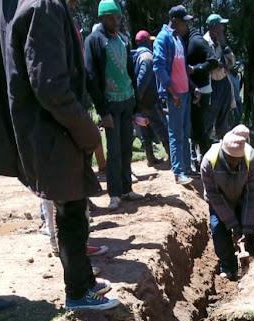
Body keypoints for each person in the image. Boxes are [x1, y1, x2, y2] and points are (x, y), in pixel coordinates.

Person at [0, 0, 119, 311]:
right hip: (54, 129)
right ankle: (78, 293)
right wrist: (85, 128)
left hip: (39, 127)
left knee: (70, 208)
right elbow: (50, 84)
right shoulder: (44, 5)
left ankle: (84, 282)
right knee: (72, 211)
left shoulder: (13, 4)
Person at [84, 0, 141, 211]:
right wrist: (102, 110)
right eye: (110, 18)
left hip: (127, 100)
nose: (115, 22)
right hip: (109, 104)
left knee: (126, 146)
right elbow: (90, 76)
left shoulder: (124, 40)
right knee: (114, 150)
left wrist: (136, 106)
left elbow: (130, 72)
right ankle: (114, 193)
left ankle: (126, 188)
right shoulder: (94, 41)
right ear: (102, 18)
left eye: (117, 17)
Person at [201, 126, 254, 280]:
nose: (235, 162)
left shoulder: (253, 161)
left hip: (242, 198)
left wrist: (246, 228)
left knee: (247, 230)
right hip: (219, 200)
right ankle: (228, 267)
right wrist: (234, 226)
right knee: (218, 230)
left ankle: (251, 268)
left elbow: (253, 196)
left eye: (238, 159)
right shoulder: (209, 162)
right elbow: (215, 196)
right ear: (224, 152)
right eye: (231, 159)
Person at [153, 5, 200, 186]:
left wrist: (192, 87)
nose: (186, 27)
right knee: (176, 133)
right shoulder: (163, 39)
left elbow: (182, 69)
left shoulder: (178, 39)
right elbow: (158, 67)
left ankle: (187, 168)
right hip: (176, 95)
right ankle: (178, 171)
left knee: (186, 132)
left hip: (185, 92)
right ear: (175, 21)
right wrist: (172, 93)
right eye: (184, 23)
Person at [132, 30, 170, 167]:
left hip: (142, 101)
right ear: (147, 42)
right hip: (149, 100)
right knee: (162, 128)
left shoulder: (136, 55)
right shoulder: (147, 57)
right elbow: (142, 80)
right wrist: (137, 98)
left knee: (145, 130)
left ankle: (150, 157)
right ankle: (172, 158)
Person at [185, 24, 219, 166]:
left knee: (201, 130)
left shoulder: (197, 41)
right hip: (194, 91)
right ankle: (198, 161)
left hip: (201, 92)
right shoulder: (187, 40)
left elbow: (213, 61)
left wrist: (195, 69)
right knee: (195, 129)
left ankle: (206, 164)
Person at [204, 14, 236, 140]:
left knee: (224, 120)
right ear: (214, 27)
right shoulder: (204, 42)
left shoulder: (221, 42)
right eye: (220, 25)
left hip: (223, 83)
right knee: (208, 119)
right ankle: (203, 152)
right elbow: (211, 64)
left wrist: (224, 44)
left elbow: (231, 62)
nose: (223, 27)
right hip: (210, 85)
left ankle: (223, 150)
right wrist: (221, 63)